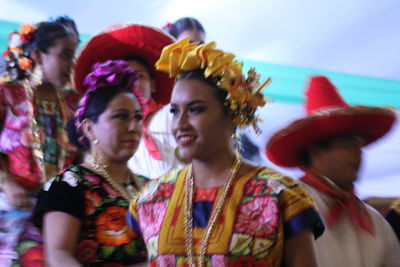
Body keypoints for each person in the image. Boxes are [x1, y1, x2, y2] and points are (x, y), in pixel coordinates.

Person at [128, 38, 324, 266]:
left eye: (195, 109)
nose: (180, 123)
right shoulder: (151, 200)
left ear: (232, 115)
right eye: (174, 111)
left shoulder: (279, 195)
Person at [266, 76, 400, 267]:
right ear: (317, 154)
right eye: (349, 145)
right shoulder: (286, 204)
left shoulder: (375, 222)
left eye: (359, 146)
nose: (359, 153)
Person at [33, 59, 147, 266]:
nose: (133, 127)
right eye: (121, 116)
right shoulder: (69, 185)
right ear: (89, 128)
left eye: (138, 117)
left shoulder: (152, 186)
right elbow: (58, 257)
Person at [0, 17, 79, 265]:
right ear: (38, 54)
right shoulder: (8, 94)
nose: (71, 64)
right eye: (65, 55)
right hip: (12, 207)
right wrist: (6, 182)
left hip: (59, 212)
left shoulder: (73, 104)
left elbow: (83, 157)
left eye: (73, 56)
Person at [73, 24, 179, 179]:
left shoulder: (171, 114)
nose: (134, 83)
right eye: (126, 77)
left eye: (140, 76)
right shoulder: (103, 128)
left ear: (154, 84)